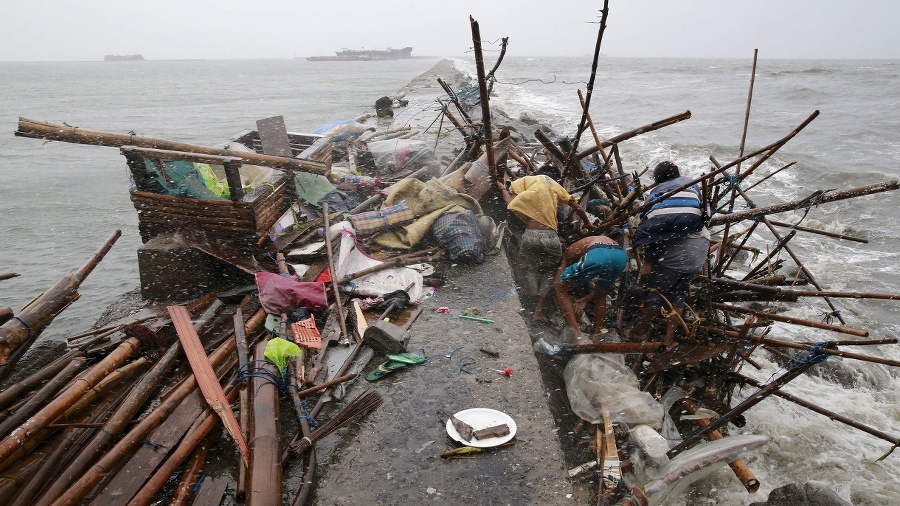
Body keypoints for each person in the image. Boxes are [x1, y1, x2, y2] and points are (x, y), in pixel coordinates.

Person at [496, 165, 596, 320]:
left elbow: (510, 201)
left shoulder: (527, 181)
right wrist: (587, 223)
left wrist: (502, 188)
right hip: (551, 237)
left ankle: (528, 302)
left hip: (531, 235)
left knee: (527, 268)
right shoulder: (555, 186)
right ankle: (539, 309)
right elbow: (578, 208)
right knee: (549, 272)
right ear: (555, 178)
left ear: (538, 173)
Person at [629, 161, 710, 349]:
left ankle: (639, 329)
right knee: (678, 296)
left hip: (680, 254)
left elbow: (655, 236)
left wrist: (648, 263)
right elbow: (707, 211)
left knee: (656, 294)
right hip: (700, 248)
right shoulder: (692, 184)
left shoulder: (659, 192)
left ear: (658, 179)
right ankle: (668, 339)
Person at [551, 235, 627, 335]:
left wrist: (555, 286)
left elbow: (564, 264)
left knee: (559, 289)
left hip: (599, 255)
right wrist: (585, 299)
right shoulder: (601, 239)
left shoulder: (570, 250)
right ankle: (596, 333)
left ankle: (575, 333)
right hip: (621, 257)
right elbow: (599, 292)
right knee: (601, 295)